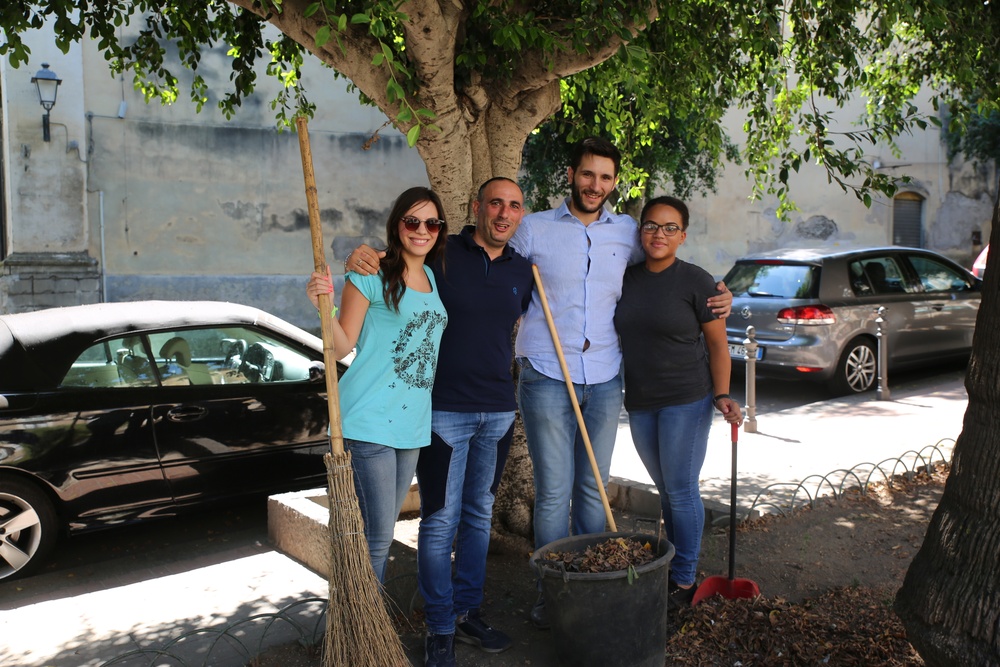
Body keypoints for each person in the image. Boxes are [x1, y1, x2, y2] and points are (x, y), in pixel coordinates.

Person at [507, 137, 732, 627]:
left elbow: (664, 262)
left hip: (606, 377)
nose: (596, 185)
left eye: (606, 178)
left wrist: (719, 297)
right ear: (571, 175)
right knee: (551, 492)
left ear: (614, 183)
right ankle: (555, 591)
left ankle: (598, 585)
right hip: (548, 373)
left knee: (593, 486)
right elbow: (491, 260)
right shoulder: (533, 230)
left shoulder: (629, 231)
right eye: (588, 175)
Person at [341, 177, 534, 667]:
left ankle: (467, 612)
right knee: (439, 519)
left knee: (478, 516)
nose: (503, 213)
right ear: (476, 209)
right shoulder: (446, 255)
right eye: (495, 203)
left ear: (521, 214)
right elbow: (387, 268)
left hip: (497, 410)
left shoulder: (523, 271)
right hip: (442, 411)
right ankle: (439, 625)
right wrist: (355, 256)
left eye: (514, 206)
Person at [306, 186, 449, 585]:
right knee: (376, 537)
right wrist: (321, 302)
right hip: (369, 419)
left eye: (432, 223)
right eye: (412, 221)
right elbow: (340, 346)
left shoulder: (432, 279)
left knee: (379, 534)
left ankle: (366, 631)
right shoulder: (371, 272)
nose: (422, 230)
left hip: (411, 425)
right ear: (397, 224)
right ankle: (363, 638)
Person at [614, 195, 743, 609]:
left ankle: (684, 579)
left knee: (682, 488)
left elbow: (719, 346)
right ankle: (676, 564)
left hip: (687, 398)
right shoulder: (626, 277)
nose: (659, 234)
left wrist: (722, 394)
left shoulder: (697, 281)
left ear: (682, 236)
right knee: (666, 487)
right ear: (641, 231)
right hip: (640, 400)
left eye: (670, 227)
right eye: (652, 225)